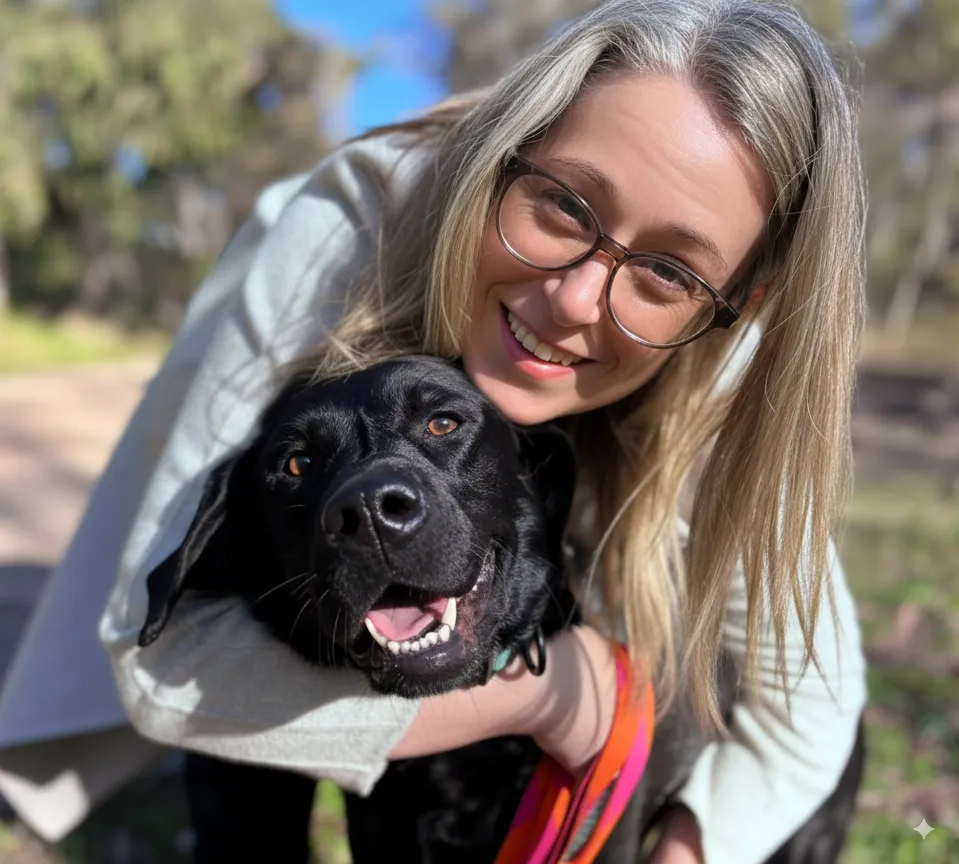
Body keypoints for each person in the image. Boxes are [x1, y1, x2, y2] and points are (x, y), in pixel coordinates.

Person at [0, 0, 868, 862]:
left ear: (734, 306)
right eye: (564, 206)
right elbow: (162, 660)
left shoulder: (714, 365)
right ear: (500, 154)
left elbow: (810, 714)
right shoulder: (341, 239)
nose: (574, 300)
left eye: (668, 270)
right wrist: (547, 695)